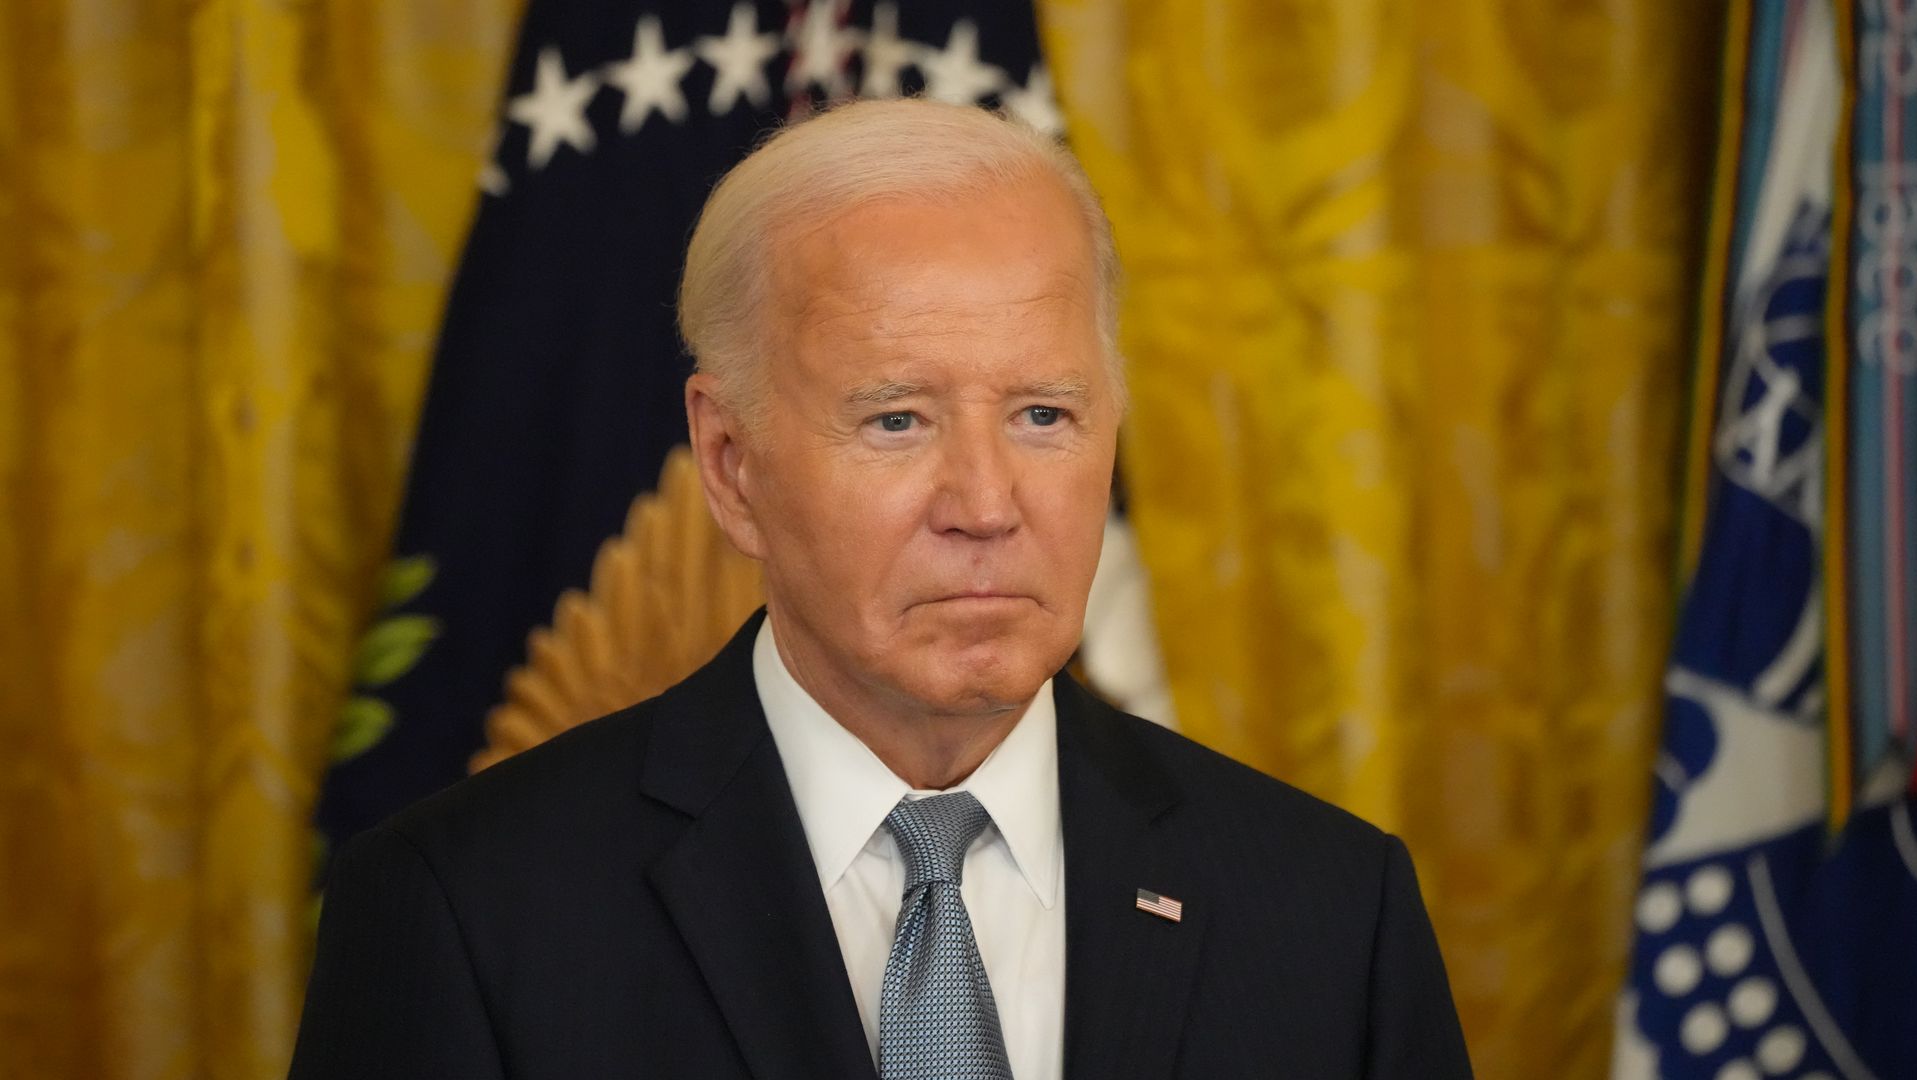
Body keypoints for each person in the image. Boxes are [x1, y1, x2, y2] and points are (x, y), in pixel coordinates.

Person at [289, 98, 1472, 1080]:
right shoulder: (462, 912)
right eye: (898, 419)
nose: (987, 502)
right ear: (732, 463)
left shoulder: (1330, 913)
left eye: (1042, 416)